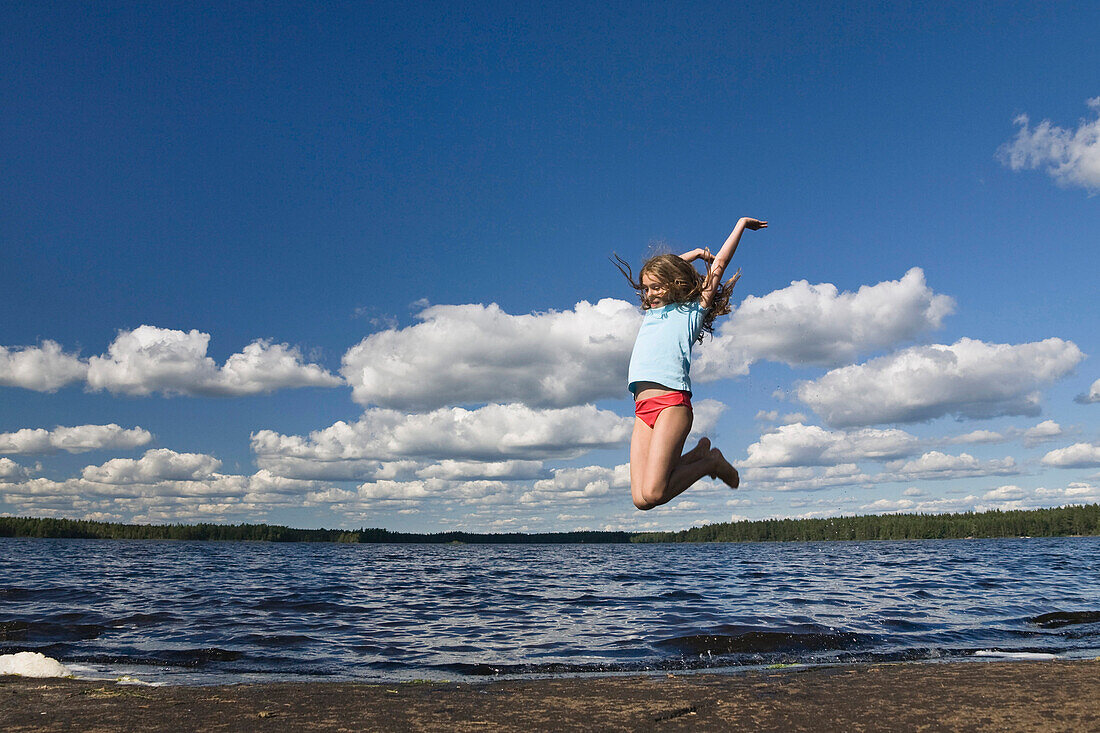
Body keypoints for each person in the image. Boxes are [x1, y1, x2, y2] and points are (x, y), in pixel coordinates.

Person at [614, 217, 768, 510]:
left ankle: (710, 462)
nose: (649, 294)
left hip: (672, 404)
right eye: (646, 290)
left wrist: (739, 226)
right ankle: (700, 455)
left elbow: (720, 263)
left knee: (656, 493)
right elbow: (660, 273)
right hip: (642, 409)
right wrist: (695, 254)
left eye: (655, 288)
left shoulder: (691, 312)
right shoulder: (651, 313)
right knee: (641, 500)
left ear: (672, 284)